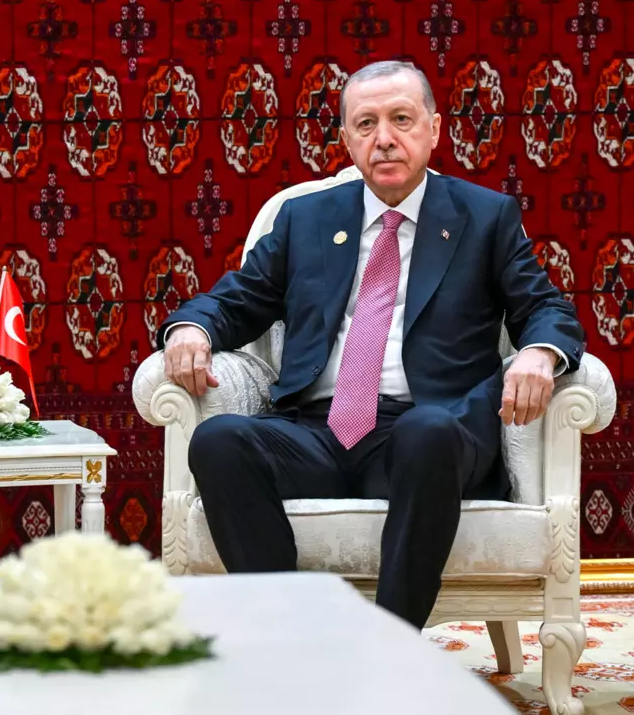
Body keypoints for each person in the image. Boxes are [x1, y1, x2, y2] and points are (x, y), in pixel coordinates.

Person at [158, 60, 584, 630]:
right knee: (218, 440)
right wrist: (192, 329)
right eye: (365, 124)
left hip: (431, 436)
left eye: (401, 119)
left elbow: (548, 308)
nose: (384, 139)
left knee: (425, 432)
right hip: (319, 432)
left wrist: (538, 353)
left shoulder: (484, 217)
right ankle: (294, 636)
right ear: (346, 140)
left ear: (433, 129)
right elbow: (237, 299)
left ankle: (390, 648)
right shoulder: (304, 218)